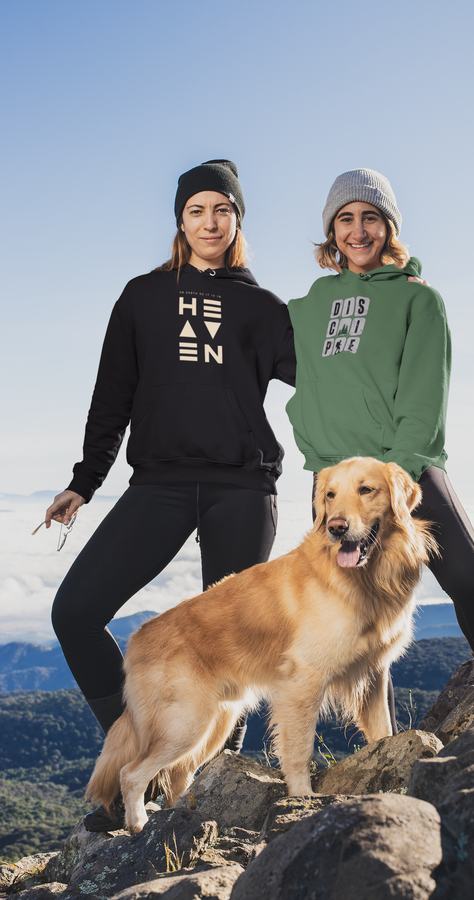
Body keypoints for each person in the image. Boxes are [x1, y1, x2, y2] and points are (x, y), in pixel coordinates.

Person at [45, 159, 296, 830]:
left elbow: (331, 379)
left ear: (237, 220)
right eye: (197, 210)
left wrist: (381, 299)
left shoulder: (266, 309)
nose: (210, 222)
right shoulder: (142, 297)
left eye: (223, 210)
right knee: (75, 613)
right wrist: (85, 480)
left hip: (242, 486)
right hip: (159, 483)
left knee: (233, 649)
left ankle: (211, 795)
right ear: (180, 221)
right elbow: (112, 395)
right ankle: (142, 762)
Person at [285, 168, 474, 718]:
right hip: (335, 483)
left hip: (403, 471)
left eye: (371, 218)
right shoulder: (311, 303)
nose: (358, 231)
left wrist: (399, 478)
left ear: (389, 227)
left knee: (470, 583)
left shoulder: (419, 301)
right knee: (356, 615)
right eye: (345, 219)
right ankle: (383, 743)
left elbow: (424, 396)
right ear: (331, 231)